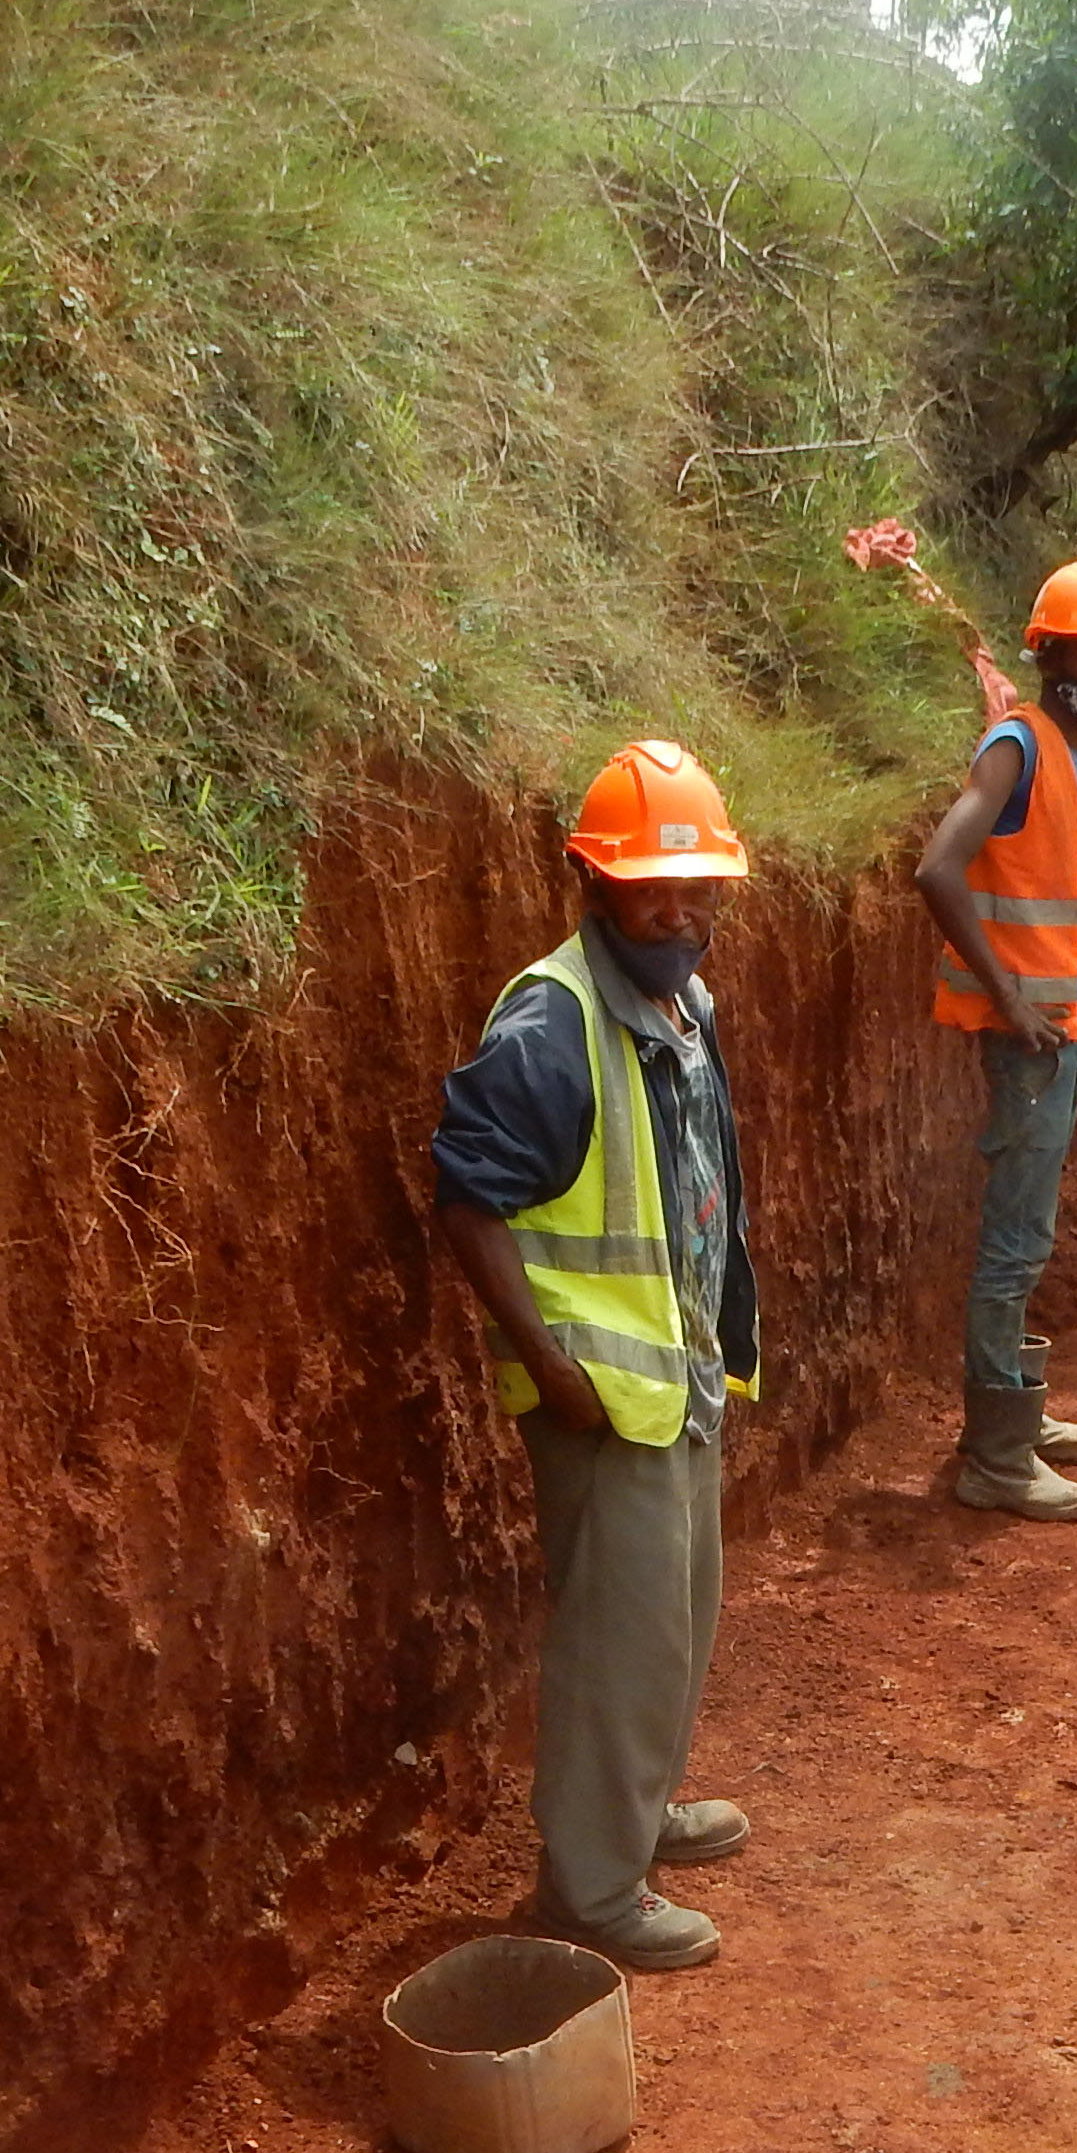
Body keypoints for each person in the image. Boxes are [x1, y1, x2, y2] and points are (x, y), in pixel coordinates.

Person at [426, 739, 764, 1975]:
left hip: (670, 1383)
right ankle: (591, 1890)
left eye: (698, 893)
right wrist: (548, 1364)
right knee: (615, 1642)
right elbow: (468, 1200)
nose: (679, 916)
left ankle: (639, 1814)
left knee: (672, 1621)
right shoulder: (550, 1023)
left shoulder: (677, 1005)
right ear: (594, 884)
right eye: (652, 894)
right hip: (598, 1395)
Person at [915, 555, 1077, 1523]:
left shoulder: (1070, 749)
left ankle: (1018, 1410)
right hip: (1031, 1043)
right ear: (1049, 654)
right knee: (1014, 1245)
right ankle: (998, 1458)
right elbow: (939, 868)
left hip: (1062, 1036)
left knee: (1031, 1236)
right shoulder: (1021, 746)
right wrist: (1010, 1000)